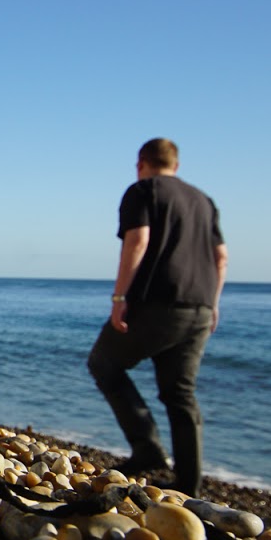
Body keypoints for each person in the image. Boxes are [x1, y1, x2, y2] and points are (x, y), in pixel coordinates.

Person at [86, 138, 228, 496]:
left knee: (104, 363)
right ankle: (189, 483)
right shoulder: (204, 201)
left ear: (141, 163)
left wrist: (120, 297)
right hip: (200, 308)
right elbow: (221, 257)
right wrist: (213, 303)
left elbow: (138, 240)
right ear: (176, 166)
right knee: (180, 394)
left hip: (157, 304)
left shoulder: (143, 191)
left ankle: (147, 447)